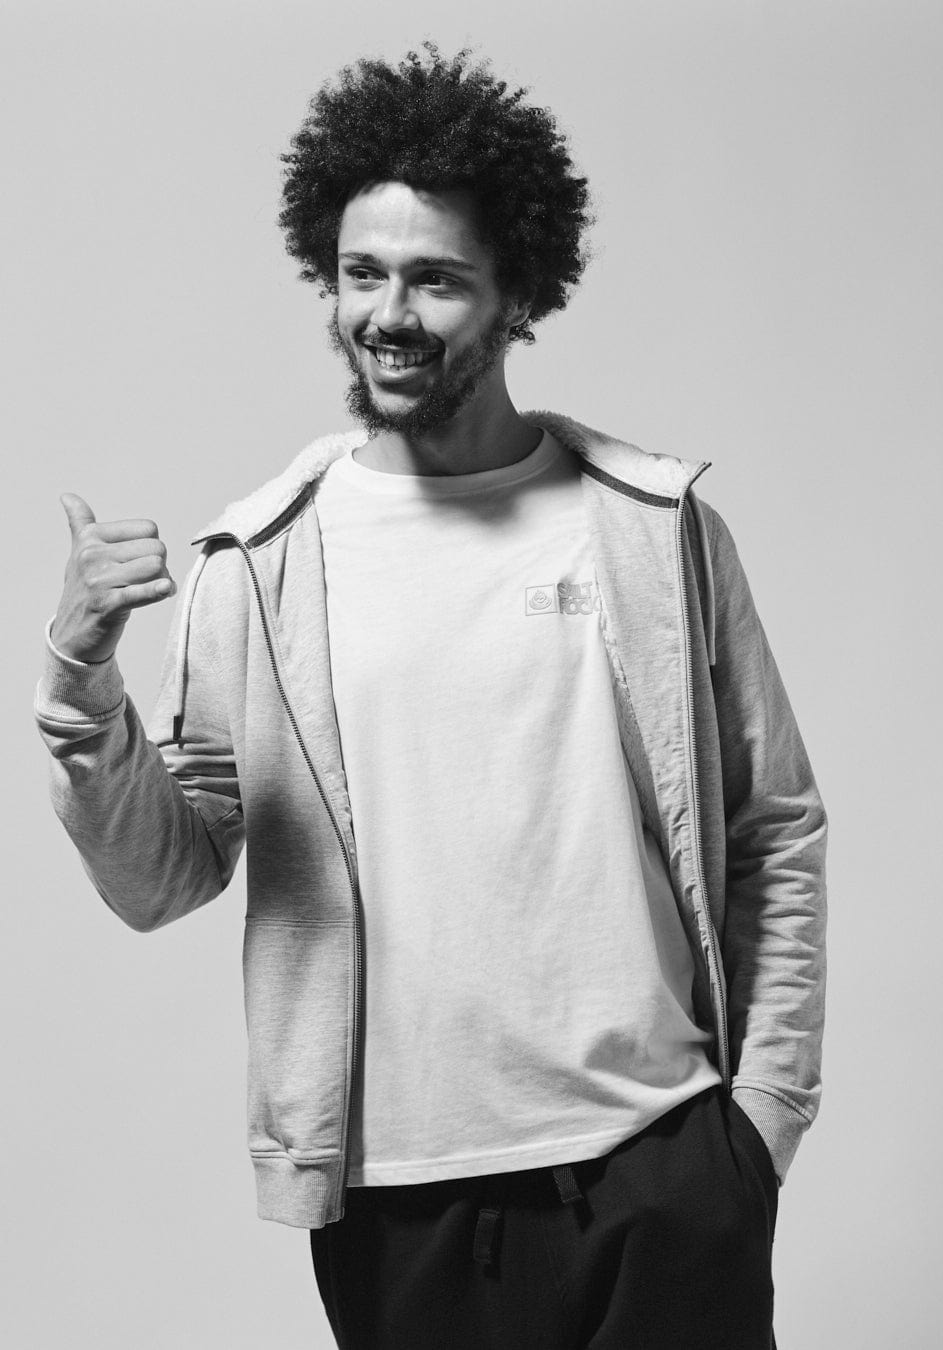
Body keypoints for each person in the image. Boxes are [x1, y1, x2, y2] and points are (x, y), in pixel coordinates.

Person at [36, 45, 827, 1350]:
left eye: (436, 278)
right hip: (395, 1200)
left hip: (666, 1164)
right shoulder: (262, 562)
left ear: (519, 294)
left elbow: (774, 826)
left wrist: (762, 1121)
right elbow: (163, 874)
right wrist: (82, 692)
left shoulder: (653, 533)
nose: (389, 313)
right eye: (362, 274)